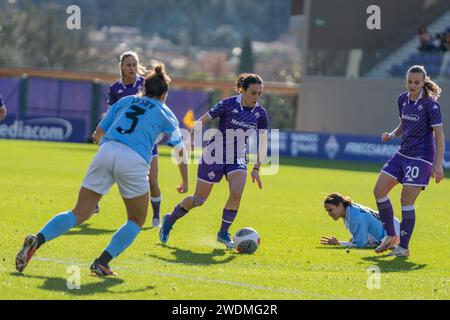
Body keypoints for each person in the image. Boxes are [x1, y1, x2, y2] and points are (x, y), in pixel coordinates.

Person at [15, 64, 188, 276]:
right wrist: (185, 180)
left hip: (106, 150)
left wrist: (108, 156)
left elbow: (98, 133)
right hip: (133, 160)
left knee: (78, 212)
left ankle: (38, 239)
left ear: (145, 87)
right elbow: (179, 149)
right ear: (164, 93)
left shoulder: (126, 101)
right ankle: (102, 262)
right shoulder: (165, 112)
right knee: (135, 220)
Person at [159, 73, 269, 249]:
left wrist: (256, 168)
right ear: (242, 89)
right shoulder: (227, 104)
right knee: (198, 200)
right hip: (214, 155)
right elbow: (201, 121)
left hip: (238, 158)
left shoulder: (260, 114)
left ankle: (223, 233)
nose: (256, 97)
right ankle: (169, 219)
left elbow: (263, 141)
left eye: (259, 94)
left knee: (236, 194)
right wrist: (192, 139)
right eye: (253, 93)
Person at [373, 65, 444, 257]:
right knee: (379, 190)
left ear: (423, 82)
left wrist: (438, 164)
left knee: (406, 199)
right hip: (402, 153)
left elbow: (439, 135)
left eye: (416, 82)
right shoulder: (402, 99)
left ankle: (403, 248)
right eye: (410, 82)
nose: (412, 85)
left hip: (421, 158)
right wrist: (392, 134)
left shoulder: (431, 105)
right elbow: (404, 124)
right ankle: (390, 235)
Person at [96, 52, 163, 228]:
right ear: (122, 67)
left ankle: (156, 216)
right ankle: (94, 201)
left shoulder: (145, 84)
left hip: (146, 140)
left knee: (153, 180)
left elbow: (157, 105)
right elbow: (112, 114)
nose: (132, 68)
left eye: (134, 65)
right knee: (107, 170)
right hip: (124, 139)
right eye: (128, 65)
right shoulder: (114, 89)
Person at [321, 193, 400, 248]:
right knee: (353, 240)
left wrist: (338, 243)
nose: (329, 214)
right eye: (327, 211)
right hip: (392, 224)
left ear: (340, 205)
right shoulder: (351, 209)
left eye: (330, 210)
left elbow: (361, 244)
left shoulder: (354, 217)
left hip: (393, 233)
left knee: (357, 241)